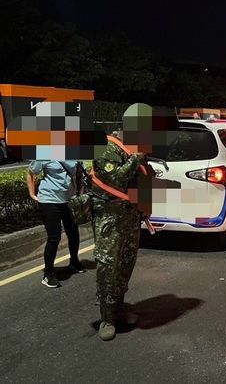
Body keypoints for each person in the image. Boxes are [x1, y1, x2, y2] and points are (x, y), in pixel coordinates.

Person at [90, 103, 178, 341]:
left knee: (126, 265)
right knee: (109, 267)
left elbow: (142, 182)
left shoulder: (136, 149)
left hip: (130, 218)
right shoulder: (107, 147)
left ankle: (118, 309)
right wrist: (137, 157)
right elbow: (116, 179)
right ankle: (107, 318)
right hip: (109, 220)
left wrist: (146, 209)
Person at [26, 160, 86, 288]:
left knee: (73, 232)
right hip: (49, 199)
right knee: (54, 237)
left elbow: (79, 174)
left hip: (68, 200)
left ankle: (74, 262)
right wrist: (32, 194)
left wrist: (79, 193)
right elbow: (31, 172)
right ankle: (48, 274)